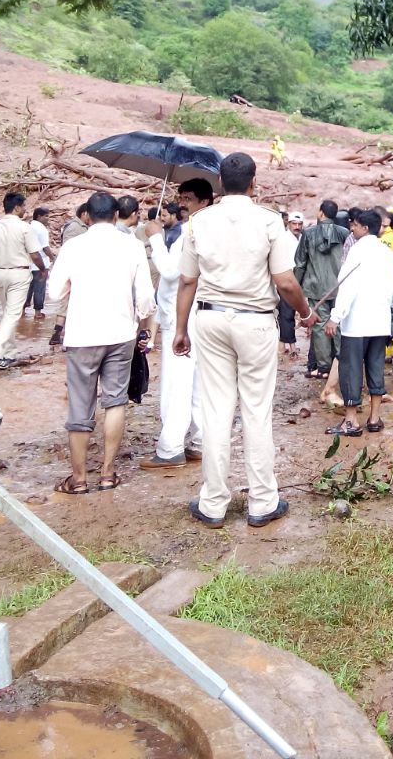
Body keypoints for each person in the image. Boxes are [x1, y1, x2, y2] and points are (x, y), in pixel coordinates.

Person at [175, 152, 314, 528]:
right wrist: (305, 313)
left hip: (210, 318)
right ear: (255, 183)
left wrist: (180, 329)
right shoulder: (270, 222)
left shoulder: (199, 222)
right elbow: (284, 281)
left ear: (220, 183)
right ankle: (262, 503)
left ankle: (214, 503)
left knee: (216, 411)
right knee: (256, 410)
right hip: (255, 323)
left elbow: (187, 280)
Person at [46, 191, 155, 493]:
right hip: (121, 334)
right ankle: (108, 474)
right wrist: (142, 323)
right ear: (117, 215)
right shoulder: (132, 245)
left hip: (82, 335)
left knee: (80, 406)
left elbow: (54, 292)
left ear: (88, 217)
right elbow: (146, 297)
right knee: (115, 401)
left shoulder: (74, 246)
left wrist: (73, 284)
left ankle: (78, 479)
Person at [140, 179, 215, 470]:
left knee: (176, 385)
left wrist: (155, 236)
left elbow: (172, 273)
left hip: (180, 319)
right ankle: (198, 442)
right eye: (180, 197)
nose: (182, 203)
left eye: (188, 198)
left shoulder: (189, 232)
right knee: (196, 384)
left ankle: (170, 448)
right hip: (203, 315)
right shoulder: (212, 229)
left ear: (204, 202)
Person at [324, 210, 393, 438]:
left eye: (355, 225)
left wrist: (335, 316)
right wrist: (390, 307)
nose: (352, 229)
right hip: (380, 322)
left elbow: (347, 286)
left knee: (351, 368)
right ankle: (375, 418)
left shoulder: (357, 251)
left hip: (357, 323)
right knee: (376, 366)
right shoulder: (386, 253)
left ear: (365, 228)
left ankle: (351, 421)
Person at [0, 192, 48, 367]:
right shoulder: (24, 227)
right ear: (17, 207)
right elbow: (35, 254)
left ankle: (10, 353)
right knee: (12, 315)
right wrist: (43, 269)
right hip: (19, 273)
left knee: (8, 314)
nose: (25, 210)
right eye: (24, 207)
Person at [293, 199, 348, 378]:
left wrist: (296, 287)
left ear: (321, 213)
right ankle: (342, 363)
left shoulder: (308, 234)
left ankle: (324, 367)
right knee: (339, 324)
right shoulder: (345, 233)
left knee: (319, 326)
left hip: (316, 288)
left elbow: (300, 263)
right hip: (340, 287)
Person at [49, 202, 91, 347]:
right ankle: (61, 335)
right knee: (67, 304)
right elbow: (69, 250)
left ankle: (58, 335)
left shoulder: (79, 227)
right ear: (84, 213)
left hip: (73, 271)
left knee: (66, 304)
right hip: (73, 271)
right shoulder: (75, 227)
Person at [278, 212, 305, 354]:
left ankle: (283, 344)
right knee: (287, 312)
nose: (297, 227)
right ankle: (291, 345)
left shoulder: (301, 238)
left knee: (286, 312)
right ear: (288, 224)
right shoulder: (283, 239)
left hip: (297, 278)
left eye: (299, 224)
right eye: (294, 224)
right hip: (286, 278)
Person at [25, 206, 52, 320]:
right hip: (40, 263)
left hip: (28, 263)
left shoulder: (29, 226)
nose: (48, 219)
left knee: (28, 288)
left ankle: (22, 310)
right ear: (39, 216)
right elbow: (45, 247)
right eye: (46, 216)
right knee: (39, 288)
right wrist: (53, 258)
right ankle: (38, 312)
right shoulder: (41, 229)